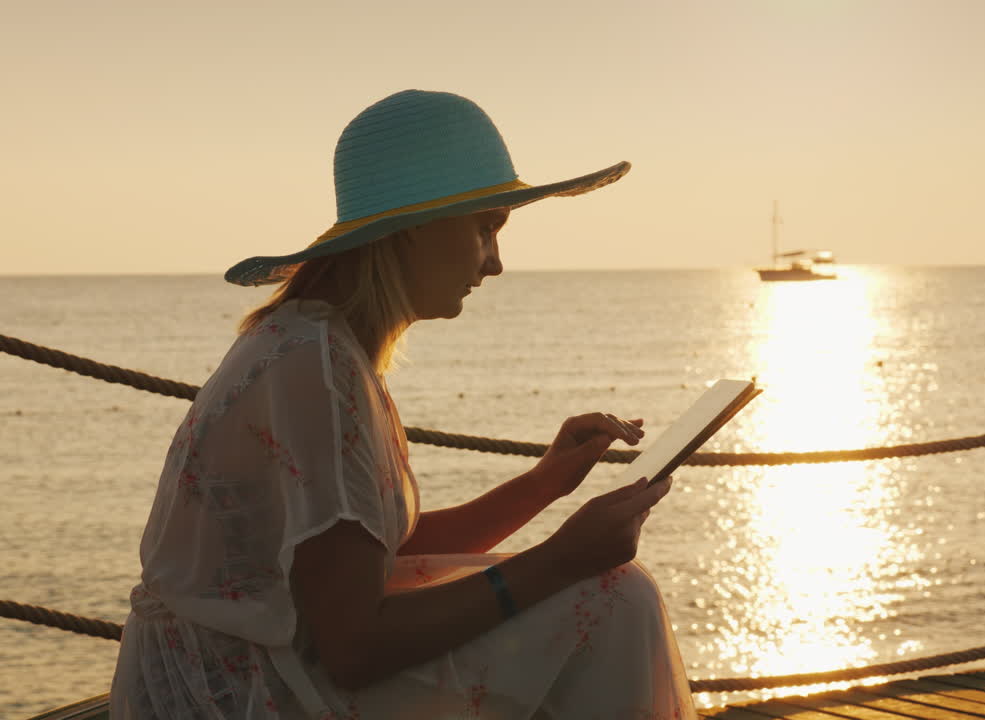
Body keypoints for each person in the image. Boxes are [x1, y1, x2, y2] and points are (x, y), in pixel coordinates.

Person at [110, 90, 696, 719]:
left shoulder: (319, 345)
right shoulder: (314, 364)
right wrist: (559, 558)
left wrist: (544, 484)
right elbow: (354, 647)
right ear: (413, 229)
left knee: (592, 592)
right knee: (613, 597)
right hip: (234, 695)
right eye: (485, 227)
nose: (496, 262)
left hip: (247, 670)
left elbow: (374, 558)